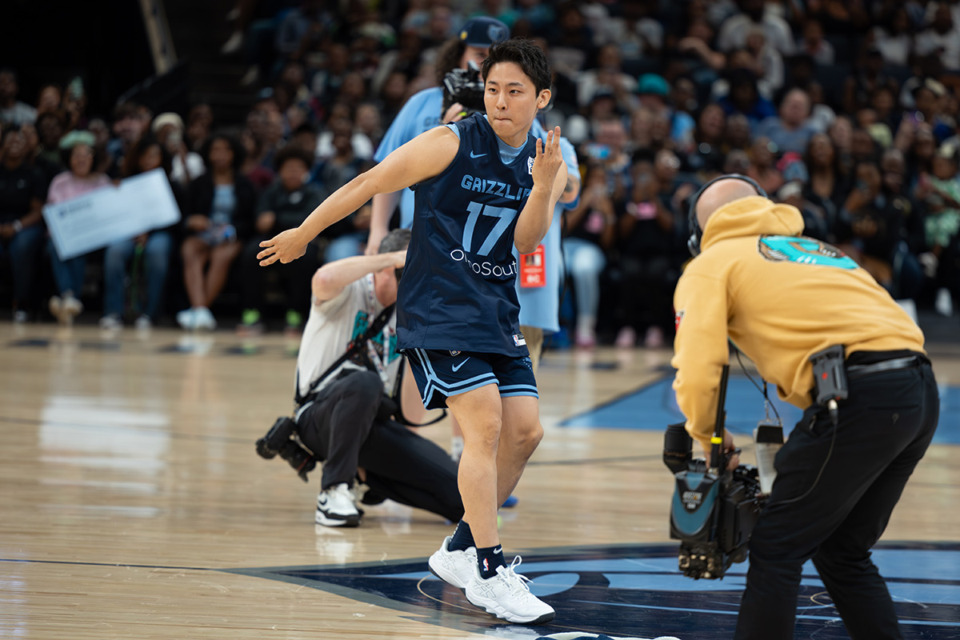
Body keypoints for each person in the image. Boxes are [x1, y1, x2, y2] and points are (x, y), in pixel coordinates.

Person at [258, 38, 567, 625]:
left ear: (541, 99)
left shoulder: (539, 156)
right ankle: (488, 566)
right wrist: (304, 231)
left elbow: (526, 241)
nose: (500, 101)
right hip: (438, 310)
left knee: (525, 434)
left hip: (495, 309)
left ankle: (456, 550)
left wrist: (547, 184)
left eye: (515, 92)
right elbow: (368, 183)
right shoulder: (450, 141)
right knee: (484, 427)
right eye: (493, 88)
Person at [672, 174, 939, 640]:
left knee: (776, 545)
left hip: (858, 400)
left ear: (700, 235)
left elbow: (698, 365)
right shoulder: (817, 250)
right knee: (843, 550)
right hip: (918, 393)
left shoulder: (711, 263)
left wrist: (705, 437)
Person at [289, 228, 464, 527]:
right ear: (387, 268)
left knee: (461, 499)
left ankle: (369, 481)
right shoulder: (351, 289)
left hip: (371, 422)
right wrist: (387, 257)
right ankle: (333, 490)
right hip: (318, 416)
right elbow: (323, 279)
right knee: (364, 381)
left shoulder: (411, 313)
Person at [365, 16, 510, 253]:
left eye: (497, 57)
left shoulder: (514, 111)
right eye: (479, 55)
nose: (487, 65)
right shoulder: (421, 102)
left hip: (484, 243)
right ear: (458, 55)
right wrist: (378, 229)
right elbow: (389, 169)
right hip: (419, 234)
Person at [238, 144, 323, 335]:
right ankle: (253, 313)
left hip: (303, 242)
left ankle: (295, 314)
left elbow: (313, 222)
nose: (293, 172)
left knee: (308, 258)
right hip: (272, 240)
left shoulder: (313, 193)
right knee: (252, 252)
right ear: (280, 171)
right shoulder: (271, 191)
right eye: (288, 168)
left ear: (306, 171)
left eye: (298, 168)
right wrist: (272, 221)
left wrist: (277, 218)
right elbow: (261, 222)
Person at [178, 133, 257, 330]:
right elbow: (183, 215)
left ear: (234, 154)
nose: (220, 155)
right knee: (190, 251)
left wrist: (233, 230)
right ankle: (201, 311)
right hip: (202, 234)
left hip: (231, 236)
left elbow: (250, 220)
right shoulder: (199, 183)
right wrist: (192, 220)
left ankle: (198, 311)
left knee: (221, 256)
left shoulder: (244, 184)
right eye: (215, 150)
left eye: (226, 150)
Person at [45, 131, 111, 325]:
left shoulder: (103, 181)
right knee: (58, 245)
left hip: (93, 237)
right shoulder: (60, 181)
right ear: (69, 158)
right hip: (63, 235)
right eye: (76, 155)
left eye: (86, 155)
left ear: (94, 158)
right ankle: (69, 296)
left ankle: (67, 299)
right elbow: (54, 212)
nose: (81, 159)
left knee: (77, 246)